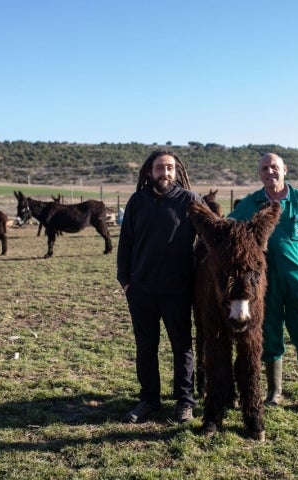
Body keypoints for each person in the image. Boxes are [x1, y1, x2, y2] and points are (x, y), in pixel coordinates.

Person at [228, 152, 298, 420]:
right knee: (269, 335)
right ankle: (275, 393)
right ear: (259, 173)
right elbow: (227, 229)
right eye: (264, 168)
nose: (269, 172)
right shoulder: (250, 204)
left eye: (274, 167)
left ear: (285, 169)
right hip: (263, 287)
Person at [116, 149, 200, 424]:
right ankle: (149, 399)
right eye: (159, 168)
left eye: (169, 168)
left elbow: (212, 235)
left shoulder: (190, 201)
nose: (165, 173)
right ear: (149, 172)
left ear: (176, 172)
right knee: (146, 347)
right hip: (141, 290)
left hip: (178, 290)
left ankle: (185, 401)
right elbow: (125, 242)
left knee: (182, 347)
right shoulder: (137, 201)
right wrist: (125, 281)